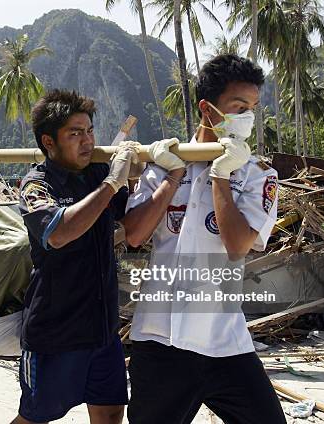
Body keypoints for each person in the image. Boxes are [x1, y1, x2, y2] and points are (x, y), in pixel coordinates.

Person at [122, 54, 285, 423]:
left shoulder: (258, 174)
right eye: (238, 107)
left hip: (223, 341)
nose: (247, 117)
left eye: (252, 108)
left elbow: (237, 247)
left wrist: (221, 176)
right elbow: (134, 235)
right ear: (207, 109)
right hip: (159, 339)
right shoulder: (163, 164)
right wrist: (172, 176)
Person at [12, 89, 140, 424]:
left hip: (103, 329)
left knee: (110, 412)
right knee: (34, 418)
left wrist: (161, 173)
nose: (87, 141)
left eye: (90, 131)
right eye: (75, 133)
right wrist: (112, 183)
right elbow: (58, 232)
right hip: (56, 332)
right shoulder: (37, 185)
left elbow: (129, 220)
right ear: (49, 142)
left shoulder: (96, 174)